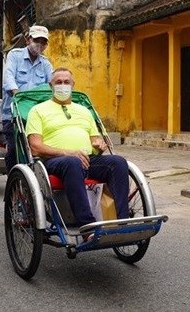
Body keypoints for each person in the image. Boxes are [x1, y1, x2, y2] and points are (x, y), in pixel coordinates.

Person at [25, 68, 129, 227]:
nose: (63, 85)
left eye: (67, 82)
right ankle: (88, 226)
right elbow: (35, 147)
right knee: (72, 162)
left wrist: (100, 146)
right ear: (50, 85)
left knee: (118, 162)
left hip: (87, 159)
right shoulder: (38, 110)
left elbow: (95, 141)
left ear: (73, 85)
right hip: (54, 162)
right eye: (58, 82)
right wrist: (68, 153)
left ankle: (123, 221)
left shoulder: (84, 111)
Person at [2, 25, 54, 172]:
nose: (40, 44)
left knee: (39, 149)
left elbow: (53, 83)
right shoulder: (15, 55)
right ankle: (12, 182)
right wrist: (16, 92)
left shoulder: (45, 63)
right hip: (13, 114)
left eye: (43, 42)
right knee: (13, 149)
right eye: (37, 40)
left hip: (37, 116)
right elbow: (9, 77)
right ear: (28, 39)